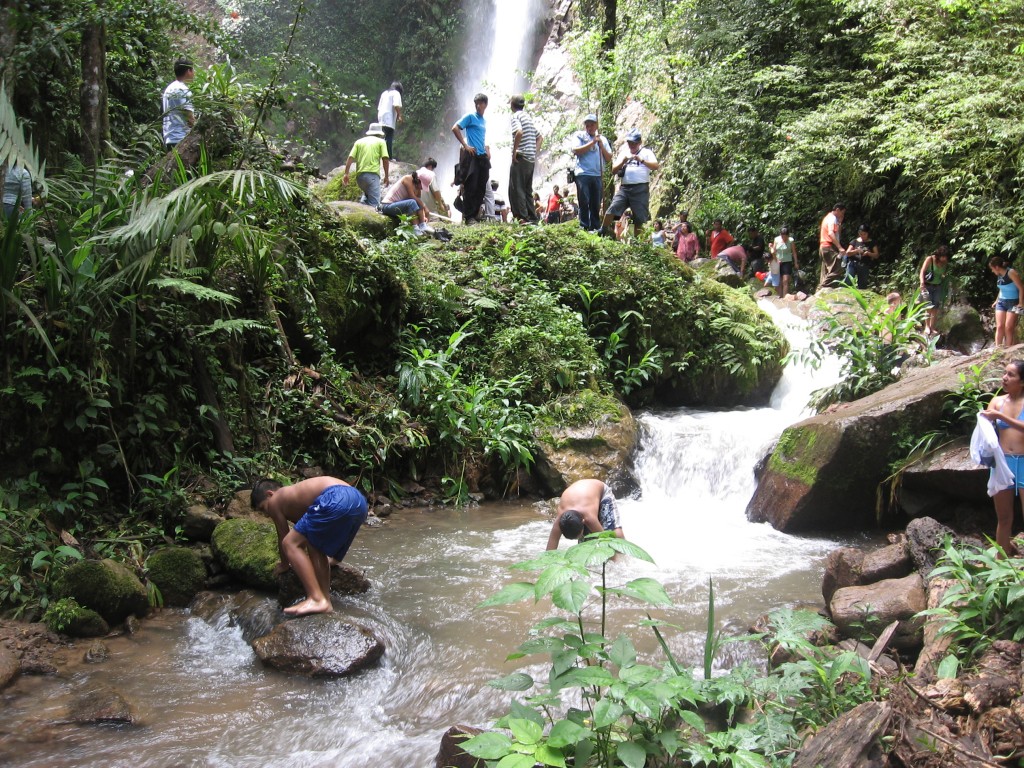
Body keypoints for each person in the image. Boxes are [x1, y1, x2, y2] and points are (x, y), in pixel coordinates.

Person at [251, 476, 368, 616]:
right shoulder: (296, 497)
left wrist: (284, 564)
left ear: (270, 494)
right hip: (359, 501)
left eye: (264, 508)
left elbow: (283, 535)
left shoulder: (276, 500)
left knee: (290, 543)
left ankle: (316, 598)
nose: (267, 514)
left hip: (336, 496)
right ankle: (325, 599)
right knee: (314, 543)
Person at [980, 360, 1024, 557]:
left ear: (1022, 382)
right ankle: (1001, 564)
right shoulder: (997, 401)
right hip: (1002, 462)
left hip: (1023, 461)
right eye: (1004, 373)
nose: (1004, 378)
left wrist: (1001, 417)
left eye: (1011, 375)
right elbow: (986, 429)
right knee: (1004, 518)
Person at [599, 129, 659, 239]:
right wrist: (623, 161)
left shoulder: (646, 152)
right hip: (625, 188)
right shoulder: (624, 153)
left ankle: (636, 241)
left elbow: (655, 166)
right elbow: (613, 170)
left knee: (639, 217)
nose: (631, 145)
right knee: (613, 208)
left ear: (639, 143)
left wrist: (642, 161)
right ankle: (602, 230)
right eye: (630, 143)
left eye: (634, 143)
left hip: (641, 188)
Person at [546, 478, 624, 551]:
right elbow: (551, 547)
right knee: (585, 543)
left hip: (601, 492)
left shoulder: (590, 518)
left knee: (613, 532)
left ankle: (624, 552)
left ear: (583, 521)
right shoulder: (560, 520)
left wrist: (615, 562)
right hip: (582, 495)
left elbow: (605, 540)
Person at [452, 93, 490, 225]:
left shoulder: (483, 121)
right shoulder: (470, 116)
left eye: (481, 103)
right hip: (472, 156)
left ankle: (474, 214)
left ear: (486, 105)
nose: (478, 106)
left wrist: (486, 151)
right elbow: (455, 128)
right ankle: (469, 217)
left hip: (482, 157)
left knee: (481, 186)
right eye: (476, 103)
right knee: (471, 186)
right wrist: (465, 145)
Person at [571, 114, 612, 231]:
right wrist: (592, 142)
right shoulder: (579, 136)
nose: (589, 127)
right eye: (587, 125)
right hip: (583, 173)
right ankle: (584, 225)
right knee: (584, 200)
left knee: (596, 202)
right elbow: (576, 150)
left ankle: (595, 226)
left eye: (592, 125)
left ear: (596, 125)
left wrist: (601, 146)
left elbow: (609, 157)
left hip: (597, 174)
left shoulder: (602, 139)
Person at [509, 94, 542, 223]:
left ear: (512, 105)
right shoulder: (528, 117)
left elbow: (519, 132)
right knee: (527, 189)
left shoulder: (515, 116)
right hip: (530, 159)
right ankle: (532, 217)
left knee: (517, 188)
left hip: (521, 157)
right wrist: (534, 152)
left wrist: (514, 151)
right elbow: (540, 137)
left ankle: (523, 218)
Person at [342, 122, 390, 209]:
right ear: (379, 134)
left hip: (360, 178)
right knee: (374, 205)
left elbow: (350, 157)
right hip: (372, 175)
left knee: (366, 196)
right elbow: (385, 159)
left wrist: (346, 174)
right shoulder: (381, 142)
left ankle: (361, 207)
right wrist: (386, 176)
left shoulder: (359, 142)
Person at [989, 256, 1024, 347]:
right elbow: (1002, 288)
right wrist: (996, 301)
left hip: (1014, 302)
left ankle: (1008, 350)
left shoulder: (1011, 272)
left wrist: (1021, 303)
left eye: (992, 269)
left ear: (996, 267)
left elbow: (1021, 288)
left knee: (1008, 327)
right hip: (1001, 302)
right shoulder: (999, 275)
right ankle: (998, 350)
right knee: (1000, 326)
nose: (992, 271)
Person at [162, 58, 196, 149]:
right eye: (193, 70)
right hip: (180, 138)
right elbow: (189, 117)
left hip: (170, 137)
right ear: (188, 71)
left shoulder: (170, 88)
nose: (194, 73)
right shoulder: (182, 90)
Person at [918, 245, 951, 338]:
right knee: (928, 306)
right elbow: (922, 271)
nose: (944, 258)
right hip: (927, 286)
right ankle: (927, 327)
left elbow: (942, 274)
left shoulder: (945, 263)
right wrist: (921, 283)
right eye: (943, 256)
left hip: (938, 286)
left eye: (946, 257)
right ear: (939, 254)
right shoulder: (930, 259)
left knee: (935, 307)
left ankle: (932, 327)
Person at [818, 202, 847, 288]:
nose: (843, 215)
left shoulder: (828, 217)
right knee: (837, 269)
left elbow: (837, 234)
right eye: (842, 212)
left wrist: (840, 223)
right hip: (828, 246)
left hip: (823, 247)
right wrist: (839, 247)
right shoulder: (832, 218)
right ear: (837, 210)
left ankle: (822, 290)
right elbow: (831, 233)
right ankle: (822, 286)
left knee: (826, 271)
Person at [844, 224, 880, 289]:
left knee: (862, 285)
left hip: (864, 264)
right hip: (853, 263)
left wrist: (868, 253)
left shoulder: (872, 243)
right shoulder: (854, 241)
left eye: (864, 234)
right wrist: (856, 251)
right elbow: (847, 253)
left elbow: (876, 255)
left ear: (868, 234)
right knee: (848, 280)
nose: (862, 236)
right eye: (861, 234)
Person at [376, 81, 404, 159]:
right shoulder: (396, 93)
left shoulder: (384, 93)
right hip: (389, 117)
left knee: (381, 137)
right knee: (389, 137)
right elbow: (396, 105)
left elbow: (379, 108)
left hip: (381, 117)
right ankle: (388, 157)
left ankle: (379, 156)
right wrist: (399, 115)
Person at [769, 226, 799, 298]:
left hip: (787, 261)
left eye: (785, 237)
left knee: (785, 280)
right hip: (778, 262)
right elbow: (774, 251)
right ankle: (780, 296)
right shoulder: (776, 240)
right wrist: (771, 248)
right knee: (779, 281)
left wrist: (796, 262)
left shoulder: (791, 241)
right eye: (782, 236)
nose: (784, 238)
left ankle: (785, 297)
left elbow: (794, 252)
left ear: (788, 236)